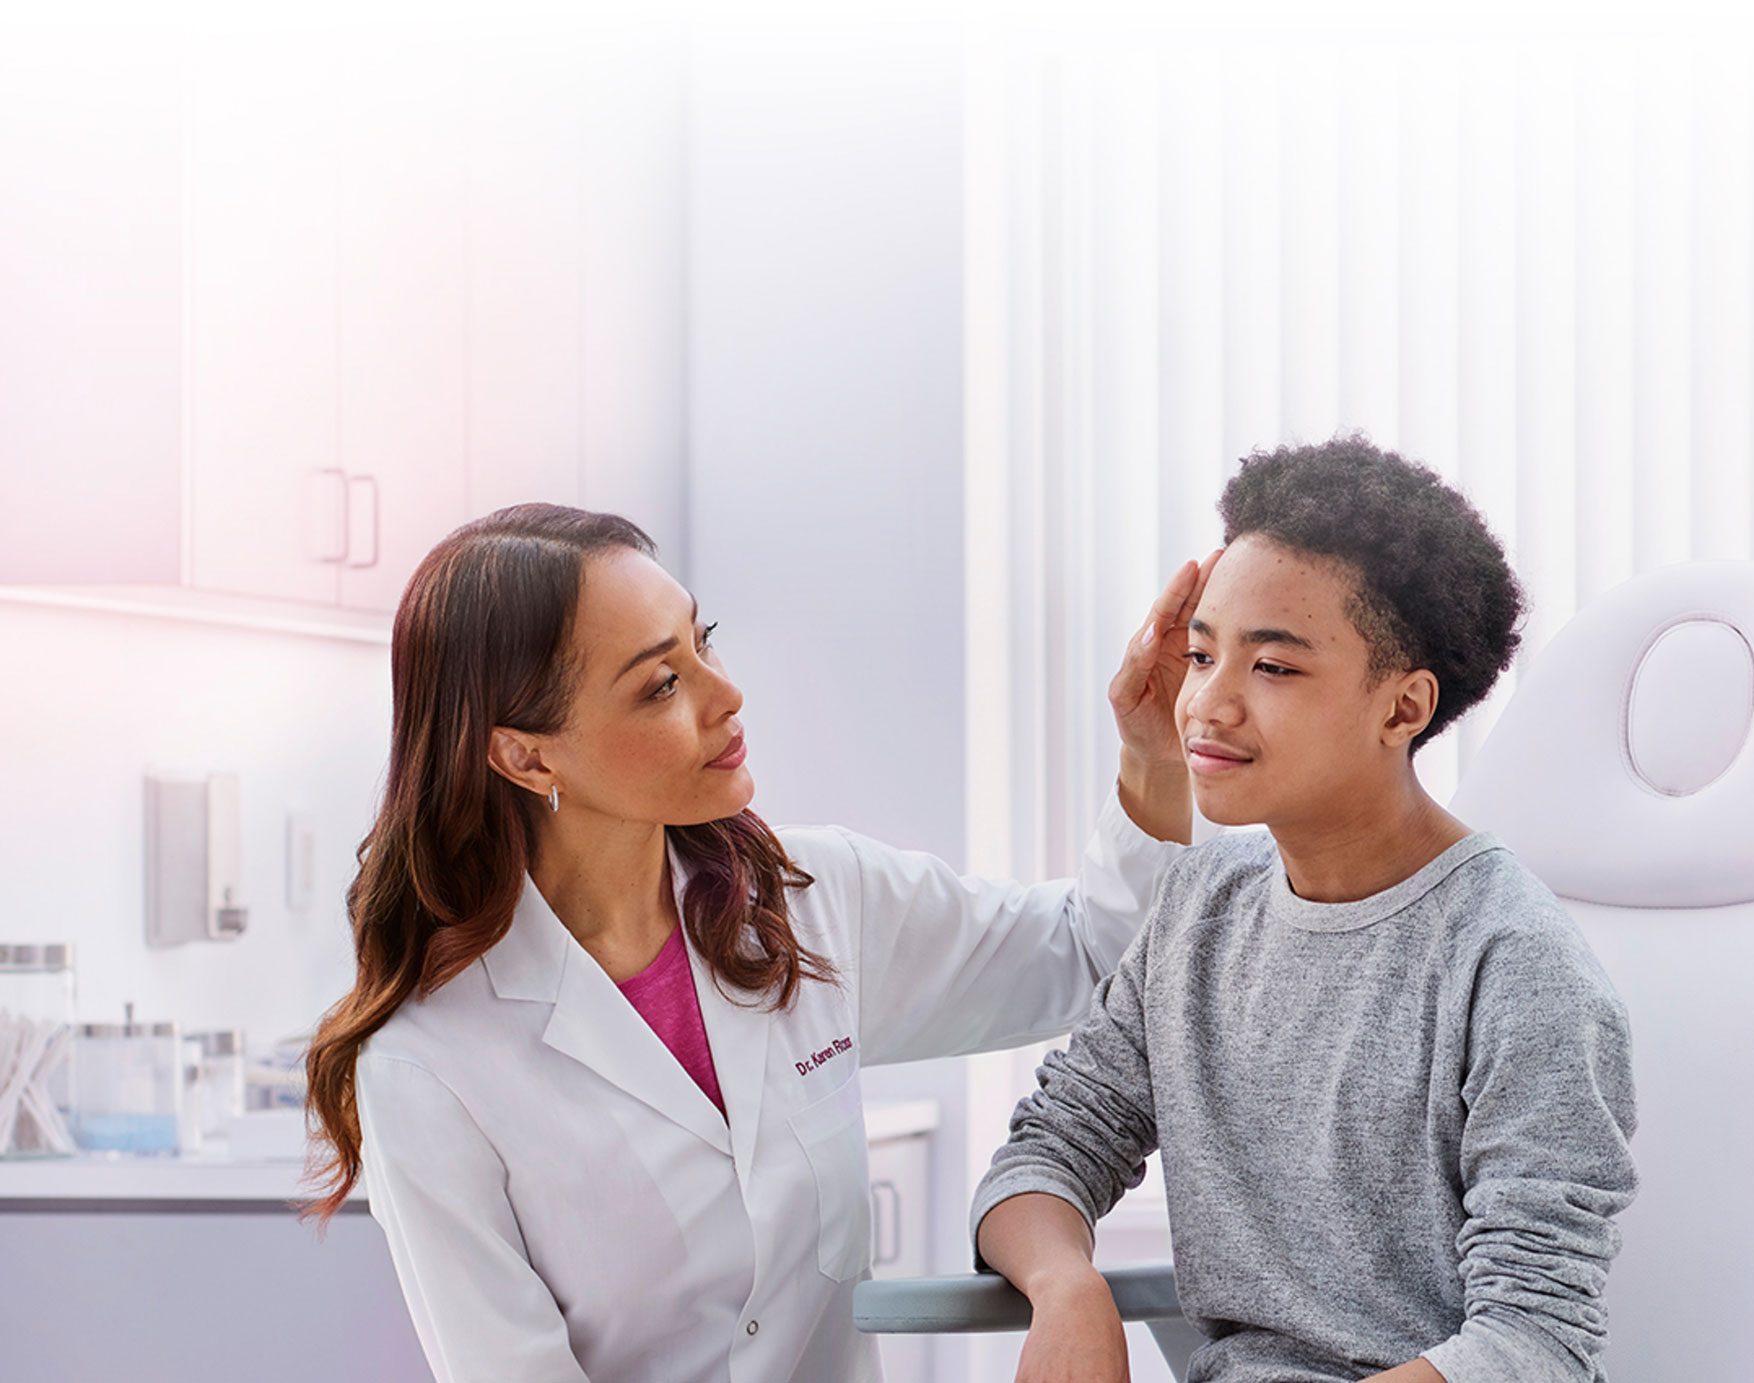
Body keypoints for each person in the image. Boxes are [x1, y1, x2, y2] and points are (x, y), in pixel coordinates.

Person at [301, 503, 1211, 1383]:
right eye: (662, 683)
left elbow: (1094, 956)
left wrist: (1152, 759)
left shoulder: (808, 902)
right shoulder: (428, 1068)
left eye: (704, 641)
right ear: (528, 757)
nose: (725, 693)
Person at [972, 437, 1638, 1383]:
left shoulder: (1511, 959)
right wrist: (1067, 1287)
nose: (1208, 703)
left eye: (1272, 669)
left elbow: (1534, 1339)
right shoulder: (1198, 912)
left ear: (1403, 707)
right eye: (1202, 654)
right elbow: (1050, 1147)